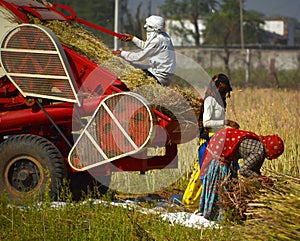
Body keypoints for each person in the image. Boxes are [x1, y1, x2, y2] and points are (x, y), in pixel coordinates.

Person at [199, 128, 284, 221]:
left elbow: (253, 169)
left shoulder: (259, 143)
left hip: (221, 142)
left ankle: (210, 212)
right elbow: (244, 170)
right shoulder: (259, 151)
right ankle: (215, 216)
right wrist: (260, 178)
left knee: (229, 183)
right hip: (222, 150)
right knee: (221, 186)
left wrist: (260, 177)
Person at [182, 74, 239, 209]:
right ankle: (190, 202)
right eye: (223, 91)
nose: (225, 94)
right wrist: (226, 122)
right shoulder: (209, 100)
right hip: (209, 140)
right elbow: (207, 122)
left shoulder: (220, 102)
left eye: (226, 92)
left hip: (219, 139)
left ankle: (212, 201)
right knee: (203, 170)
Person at [112, 15, 176, 86]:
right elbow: (147, 47)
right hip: (163, 75)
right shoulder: (164, 37)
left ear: (153, 28)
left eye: (147, 26)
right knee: (131, 65)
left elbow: (139, 57)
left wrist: (122, 53)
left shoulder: (157, 41)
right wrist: (133, 38)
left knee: (127, 73)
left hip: (158, 77)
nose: (145, 28)